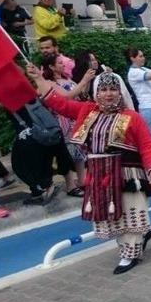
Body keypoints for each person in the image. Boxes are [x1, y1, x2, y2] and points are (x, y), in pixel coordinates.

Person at [29, 69, 151, 274]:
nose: (108, 94)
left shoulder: (131, 117)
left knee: (130, 213)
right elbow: (59, 103)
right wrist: (38, 78)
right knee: (113, 216)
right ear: (96, 92)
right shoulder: (88, 111)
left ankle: (130, 254)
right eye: (103, 89)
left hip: (127, 174)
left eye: (113, 89)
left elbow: (147, 145)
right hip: (100, 175)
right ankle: (135, 242)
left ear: (120, 92)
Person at [40, 53, 96, 197]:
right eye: (59, 63)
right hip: (62, 120)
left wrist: (87, 81)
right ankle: (70, 185)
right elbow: (67, 97)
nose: (62, 64)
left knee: (80, 151)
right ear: (51, 67)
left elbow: (80, 93)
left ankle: (82, 181)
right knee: (67, 153)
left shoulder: (67, 78)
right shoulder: (49, 83)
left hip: (75, 117)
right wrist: (84, 80)